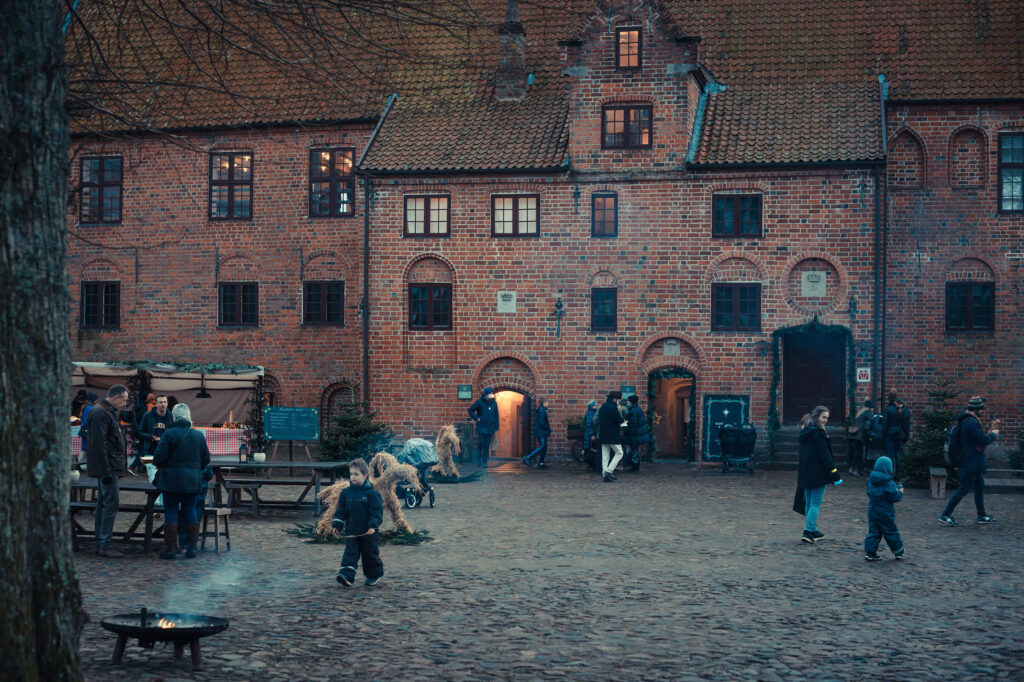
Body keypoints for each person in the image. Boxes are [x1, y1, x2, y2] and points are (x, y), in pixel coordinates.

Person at [153, 403, 211, 559]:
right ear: (189, 417)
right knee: (190, 510)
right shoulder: (199, 435)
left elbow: (158, 459)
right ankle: (191, 548)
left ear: (174, 417)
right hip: (192, 481)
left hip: (171, 480)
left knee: (171, 511)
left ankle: (170, 549)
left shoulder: (168, 434)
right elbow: (206, 460)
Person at [939, 396, 1000, 526]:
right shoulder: (971, 423)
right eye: (981, 409)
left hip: (971, 461)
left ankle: (981, 515)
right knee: (964, 488)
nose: (983, 412)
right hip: (970, 461)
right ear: (976, 409)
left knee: (978, 486)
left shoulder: (966, 421)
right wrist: (993, 435)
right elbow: (981, 440)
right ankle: (945, 515)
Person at [86, 385, 130, 558]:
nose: (125, 403)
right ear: (116, 397)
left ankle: (102, 541)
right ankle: (104, 543)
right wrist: (105, 471)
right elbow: (99, 444)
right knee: (109, 505)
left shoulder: (106, 411)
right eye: (124, 400)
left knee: (104, 505)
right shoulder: (101, 413)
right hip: (108, 467)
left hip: (110, 466)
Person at [332, 458, 384, 586]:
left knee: (370, 555)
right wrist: (337, 524)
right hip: (352, 531)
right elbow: (341, 511)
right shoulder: (346, 493)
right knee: (350, 553)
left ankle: (373, 575)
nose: (353, 477)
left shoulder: (372, 494)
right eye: (351, 474)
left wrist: (373, 525)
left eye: (356, 474)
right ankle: (346, 576)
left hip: (368, 533)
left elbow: (376, 512)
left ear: (365, 476)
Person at [795, 406, 842, 544]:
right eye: (823, 417)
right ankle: (808, 531)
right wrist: (834, 472)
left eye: (827, 418)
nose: (826, 420)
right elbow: (825, 455)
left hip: (806, 473)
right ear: (816, 417)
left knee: (810, 502)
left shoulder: (806, 432)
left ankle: (813, 529)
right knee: (815, 503)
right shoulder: (818, 434)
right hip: (817, 474)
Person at [864, 455, 906, 561]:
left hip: (873, 509)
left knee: (874, 531)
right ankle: (898, 551)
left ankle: (870, 552)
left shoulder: (870, 480)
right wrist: (900, 492)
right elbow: (894, 497)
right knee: (890, 531)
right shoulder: (888, 483)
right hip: (885, 511)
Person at [139, 395, 174, 481]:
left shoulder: (171, 417)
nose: (163, 404)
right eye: (160, 402)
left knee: (166, 481)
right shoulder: (147, 416)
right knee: (153, 480)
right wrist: (150, 437)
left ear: (167, 404)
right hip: (151, 452)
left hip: (166, 453)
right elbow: (140, 432)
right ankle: (154, 494)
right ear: (156, 404)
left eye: (165, 402)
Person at [597, 390, 626, 482]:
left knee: (605, 456)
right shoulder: (613, 407)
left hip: (603, 434)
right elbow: (618, 419)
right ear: (615, 399)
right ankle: (609, 471)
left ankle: (604, 475)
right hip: (612, 434)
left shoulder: (603, 407)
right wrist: (623, 421)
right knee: (620, 452)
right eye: (618, 399)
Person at [467, 387, 499, 467]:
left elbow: (496, 415)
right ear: (486, 394)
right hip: (482, 427)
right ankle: (478, 460)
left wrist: (496, 426)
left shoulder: (494, 403)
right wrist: (476, 418)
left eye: (491, 393)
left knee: (487, 445)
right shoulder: (480, 402)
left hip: (490, 427)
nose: (491, 395)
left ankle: (484, 461)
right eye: (489, 394)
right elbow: (470, 410)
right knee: (481, 444)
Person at [882, 392, 909, 479]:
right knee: (899, 454)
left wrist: (883, 434)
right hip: (900, 434)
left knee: (890, 454)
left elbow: (885, 424)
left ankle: (889, 473)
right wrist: (906, 436)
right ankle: (898, 473)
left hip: (890, 434)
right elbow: (906, 425)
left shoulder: (888, 409)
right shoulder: (905, 411)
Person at [523, 397, 551, 469]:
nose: (548, 403)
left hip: (541, 432)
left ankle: (541, 463)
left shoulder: (542, 410)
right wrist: (548, 428)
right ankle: (528, 457)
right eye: (547, 402)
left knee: (544, 447)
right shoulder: (542, 410)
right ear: (544, 403)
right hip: (541, 432)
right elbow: (542, 422)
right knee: (542, 446)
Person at [846, 399, 872, 476]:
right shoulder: (868, 412)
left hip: (852, 435)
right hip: (859, 436)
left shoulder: (860, 412)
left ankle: (859, 470)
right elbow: (872, 420)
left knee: (857, 452)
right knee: (858, 453)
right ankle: (853, 469)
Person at [625, 394, 650, 472]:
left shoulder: (633, 411)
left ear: (631, 402)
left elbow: (633, 424)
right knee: (635, 449)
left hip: (635, 434)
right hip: (638, 434)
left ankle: (635, 467)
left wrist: (629, 432)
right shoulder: (637, 409)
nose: (627, 402)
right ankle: (635, 466)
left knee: (634, 450)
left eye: (628, 401)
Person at [77, 391, 99, 469]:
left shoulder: (85, 407)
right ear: (94, 400)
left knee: (84, 448)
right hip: (89, 431)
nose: (97, 401)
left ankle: (77, 465)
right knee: (91, 448)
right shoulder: (91, 409)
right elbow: (87, 421)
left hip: (83, 430)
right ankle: (91, 466)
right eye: (96, 399)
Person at [582, 399, 600, 471]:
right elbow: (589, 425)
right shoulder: (591, 413)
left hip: (589, 434)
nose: (597, 406)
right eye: (595, 405)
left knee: (591, 449)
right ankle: (591, 466)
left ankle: (592, 466)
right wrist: (592, 434)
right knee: (591, 450)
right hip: (590, 435)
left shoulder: (592, 412)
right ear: (592, 406)